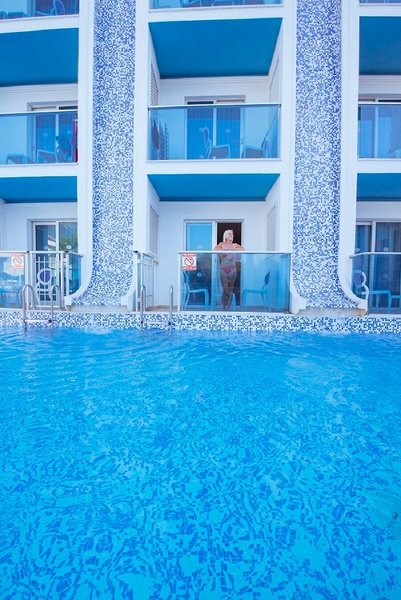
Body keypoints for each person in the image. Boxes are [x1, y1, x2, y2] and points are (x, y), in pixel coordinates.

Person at [213, 230, 244, 310]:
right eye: (230, 234)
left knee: (230, 290)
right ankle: (224, 308)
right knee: (225, 290)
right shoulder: (221, 244)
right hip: (223, 269)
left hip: (232, 269)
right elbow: (214, 250)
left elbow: (243, 249)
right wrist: (226, 250)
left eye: (232, 234)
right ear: (226, 235)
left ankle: (228, 309)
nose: (231, 235)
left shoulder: (235, 245)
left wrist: (232, 249)